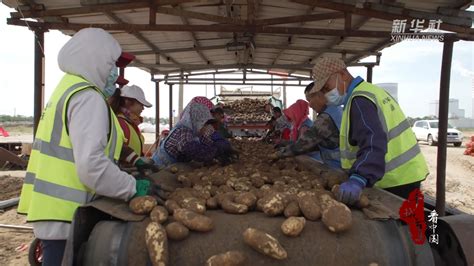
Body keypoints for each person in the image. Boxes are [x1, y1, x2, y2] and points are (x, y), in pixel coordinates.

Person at [16, 28, 156, 265]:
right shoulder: (87, 97)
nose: (114, 72)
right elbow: (91, 165)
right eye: (111, 64)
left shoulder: (67, 89)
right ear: (95, 59)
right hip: (66, 212)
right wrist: (131, 187)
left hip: (55, 211)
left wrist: (132, 162)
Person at [310, 57, 429, 204]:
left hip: (394, 180)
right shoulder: (372, 91)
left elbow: (373, 141)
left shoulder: (360, 100)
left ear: (342, 75)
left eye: (327, 88)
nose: (326, 94)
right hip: (406, 174)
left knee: (396, 225)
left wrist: (359, 178)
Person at [276, 82, 343, 169]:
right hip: (340, 165)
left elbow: (304, 143)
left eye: (310, 100)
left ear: (319, 95)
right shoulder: (337, 110)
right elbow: (314, 144)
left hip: (339, 167)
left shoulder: (326, 118)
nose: (310, 105)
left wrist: (278, 154)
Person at [152, 101, 234, 168]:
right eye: (204, 124)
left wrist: (223, 148)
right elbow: (194, 151)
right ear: (196, 121)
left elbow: (208, 142)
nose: (206, 128)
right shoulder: (183, 132)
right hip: (159, 169)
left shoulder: (196, 132)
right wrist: (215, 151)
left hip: (174, 169)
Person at [108, 85, 152, 163]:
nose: (143, 108)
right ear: (128, 102)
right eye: (141, 104)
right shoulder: (121, 123)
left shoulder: (130, 123)